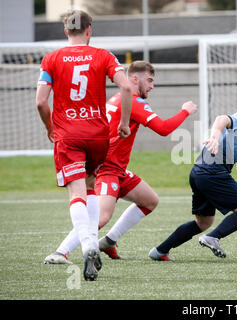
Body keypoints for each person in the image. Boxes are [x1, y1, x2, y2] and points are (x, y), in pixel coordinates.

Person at [43, 61, 197, 262]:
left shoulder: (117, 98)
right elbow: (163, 128)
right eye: (149, 80)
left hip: (116, 168)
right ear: (134, 79)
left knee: (150, 200)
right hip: (107, 168)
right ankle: (60, 252)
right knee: (101, 217)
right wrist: (185, 110)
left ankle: (108, 241)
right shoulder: (133, 101)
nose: (152, 86)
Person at [36, 10, 132, 281]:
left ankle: (89, 246)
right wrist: (123, 123)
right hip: (98, 135)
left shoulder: (52, 58)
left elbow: (41, 102)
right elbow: (125, 87)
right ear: (89, 30)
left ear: (66, 31)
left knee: (76, 192)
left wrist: (49, 128)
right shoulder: (103, 55)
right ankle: (91, 244)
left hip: (68, 134)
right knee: (90, 187)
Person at [149, 88, 237, 261]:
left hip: (199, 172)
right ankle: (213, 238)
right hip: (213, 172)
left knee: (203, 222)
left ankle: (159, 251)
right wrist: (214, 137)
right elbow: (221, 119)